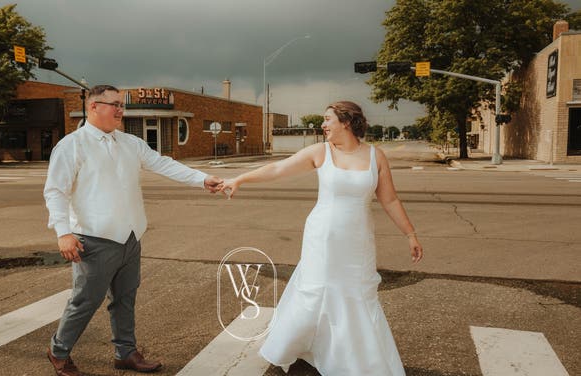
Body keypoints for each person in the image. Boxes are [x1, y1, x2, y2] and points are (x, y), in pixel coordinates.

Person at [218, 101, 423, 375]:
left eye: (328, 119)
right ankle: (300, 345)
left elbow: (390, 199)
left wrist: (410, 234)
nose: (323, 125)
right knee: (316, 291)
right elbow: (279, 168)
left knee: (357, 294)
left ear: (346, 122)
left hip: (358, 240)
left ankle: (355, 358)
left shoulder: (376, 156)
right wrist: (240, 179)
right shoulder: (321, 152)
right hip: (322, 237)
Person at [43, 85, 222, 376]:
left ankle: (125, 352)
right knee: (85, 301)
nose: (119, 110)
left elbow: (163, 164)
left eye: (121, 105)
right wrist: (63, 232)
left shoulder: (130, 143)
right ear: (93, 107)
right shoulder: (71, 145)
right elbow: (55, 192)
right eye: (113, 104)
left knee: (125, 299)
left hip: (130, 238)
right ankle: (58, 351)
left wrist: (202, 179)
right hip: (93, 239)